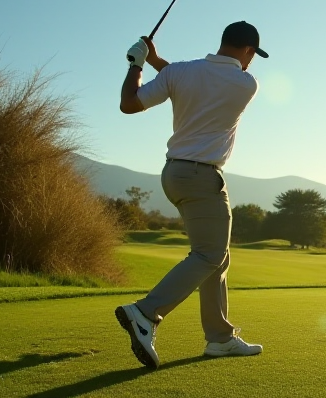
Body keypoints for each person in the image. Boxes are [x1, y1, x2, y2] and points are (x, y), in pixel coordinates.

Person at [113, 21, 269, 369]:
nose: (251, 62)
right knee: (209, 254)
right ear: (247, 51)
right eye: (252, 56)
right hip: (202, 177)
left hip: (174, 174)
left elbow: (129, 103)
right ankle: (145, 313)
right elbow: (198, 83)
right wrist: (155, 62)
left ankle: (220, 339)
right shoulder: (246, 83)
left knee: (217, 256)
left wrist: (140, 62)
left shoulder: (181, 73)